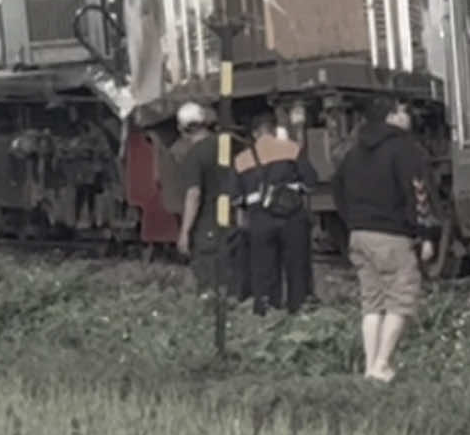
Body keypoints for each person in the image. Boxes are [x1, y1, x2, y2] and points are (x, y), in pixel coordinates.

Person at [332, 97, 438, 383]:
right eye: (402, 111)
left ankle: (370, 367)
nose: (408, 116)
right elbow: (419, 194)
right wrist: (427, 234)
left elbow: (337, 190)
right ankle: (382, 363)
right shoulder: (405, 149)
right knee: (402, 297)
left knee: (372, 301)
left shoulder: (353, 152)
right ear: (392, 117)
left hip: (359, 234)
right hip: (391, 235)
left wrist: (353, 220)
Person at [234, 112, 318, 315]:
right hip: (292, 218)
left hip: (260, 221)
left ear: (255, 134)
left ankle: (266, 311)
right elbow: (311, 182)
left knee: (264, 270)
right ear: (273, 129)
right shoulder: (291, 149)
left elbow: (236, 197)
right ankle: (298, 309)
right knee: (297, 268)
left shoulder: (242, 159)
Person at [174, 103, 225, 295]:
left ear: (183, 129)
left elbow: (194, 194)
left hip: (207, 225)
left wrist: (185, 231)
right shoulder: (225, 145)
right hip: (232, 220)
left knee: (208, 280)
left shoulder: (194, 156)